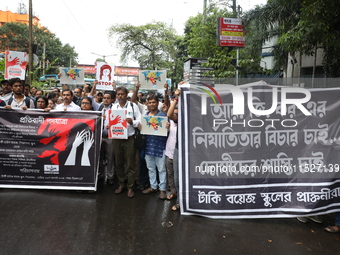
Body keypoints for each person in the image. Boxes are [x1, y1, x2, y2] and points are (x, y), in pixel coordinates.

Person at [112, 86, 141, 198]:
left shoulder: (133, 106)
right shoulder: (113, 106)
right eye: (118, 94)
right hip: (116, 139)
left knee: (130, 164)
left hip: (129, 139)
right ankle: (121, 184)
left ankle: (130, 187)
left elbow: (139, 120)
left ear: (126, 95)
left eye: (122, 94)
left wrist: (132, 121)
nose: (120, 96)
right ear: (116, 95)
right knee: (119, 163)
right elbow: (108, 122)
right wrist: (108, 125)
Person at [141, 93, 169, 200]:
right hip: (148, 146)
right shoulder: (145, 117)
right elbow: (143, 131)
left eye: (154, 102)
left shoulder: (163, 116)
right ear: (147, 104)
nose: (151, 104)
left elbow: (168, 130)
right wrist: (140, 127)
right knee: (151, 168)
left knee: (161, 169)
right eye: (149, 102)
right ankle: (153, 186)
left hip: (160, 146)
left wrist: (168, 127)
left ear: (157, 103)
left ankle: (162, 189)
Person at [100, 91, 116, 185]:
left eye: (108, 98)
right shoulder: (100, 107)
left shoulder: (114, 109)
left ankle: (110, 176)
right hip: (100, 137)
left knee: (110, 157)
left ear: (112, 100)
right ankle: (100, 175)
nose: (106, 99)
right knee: (100, 157)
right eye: (104, 97)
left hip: (110, 137)